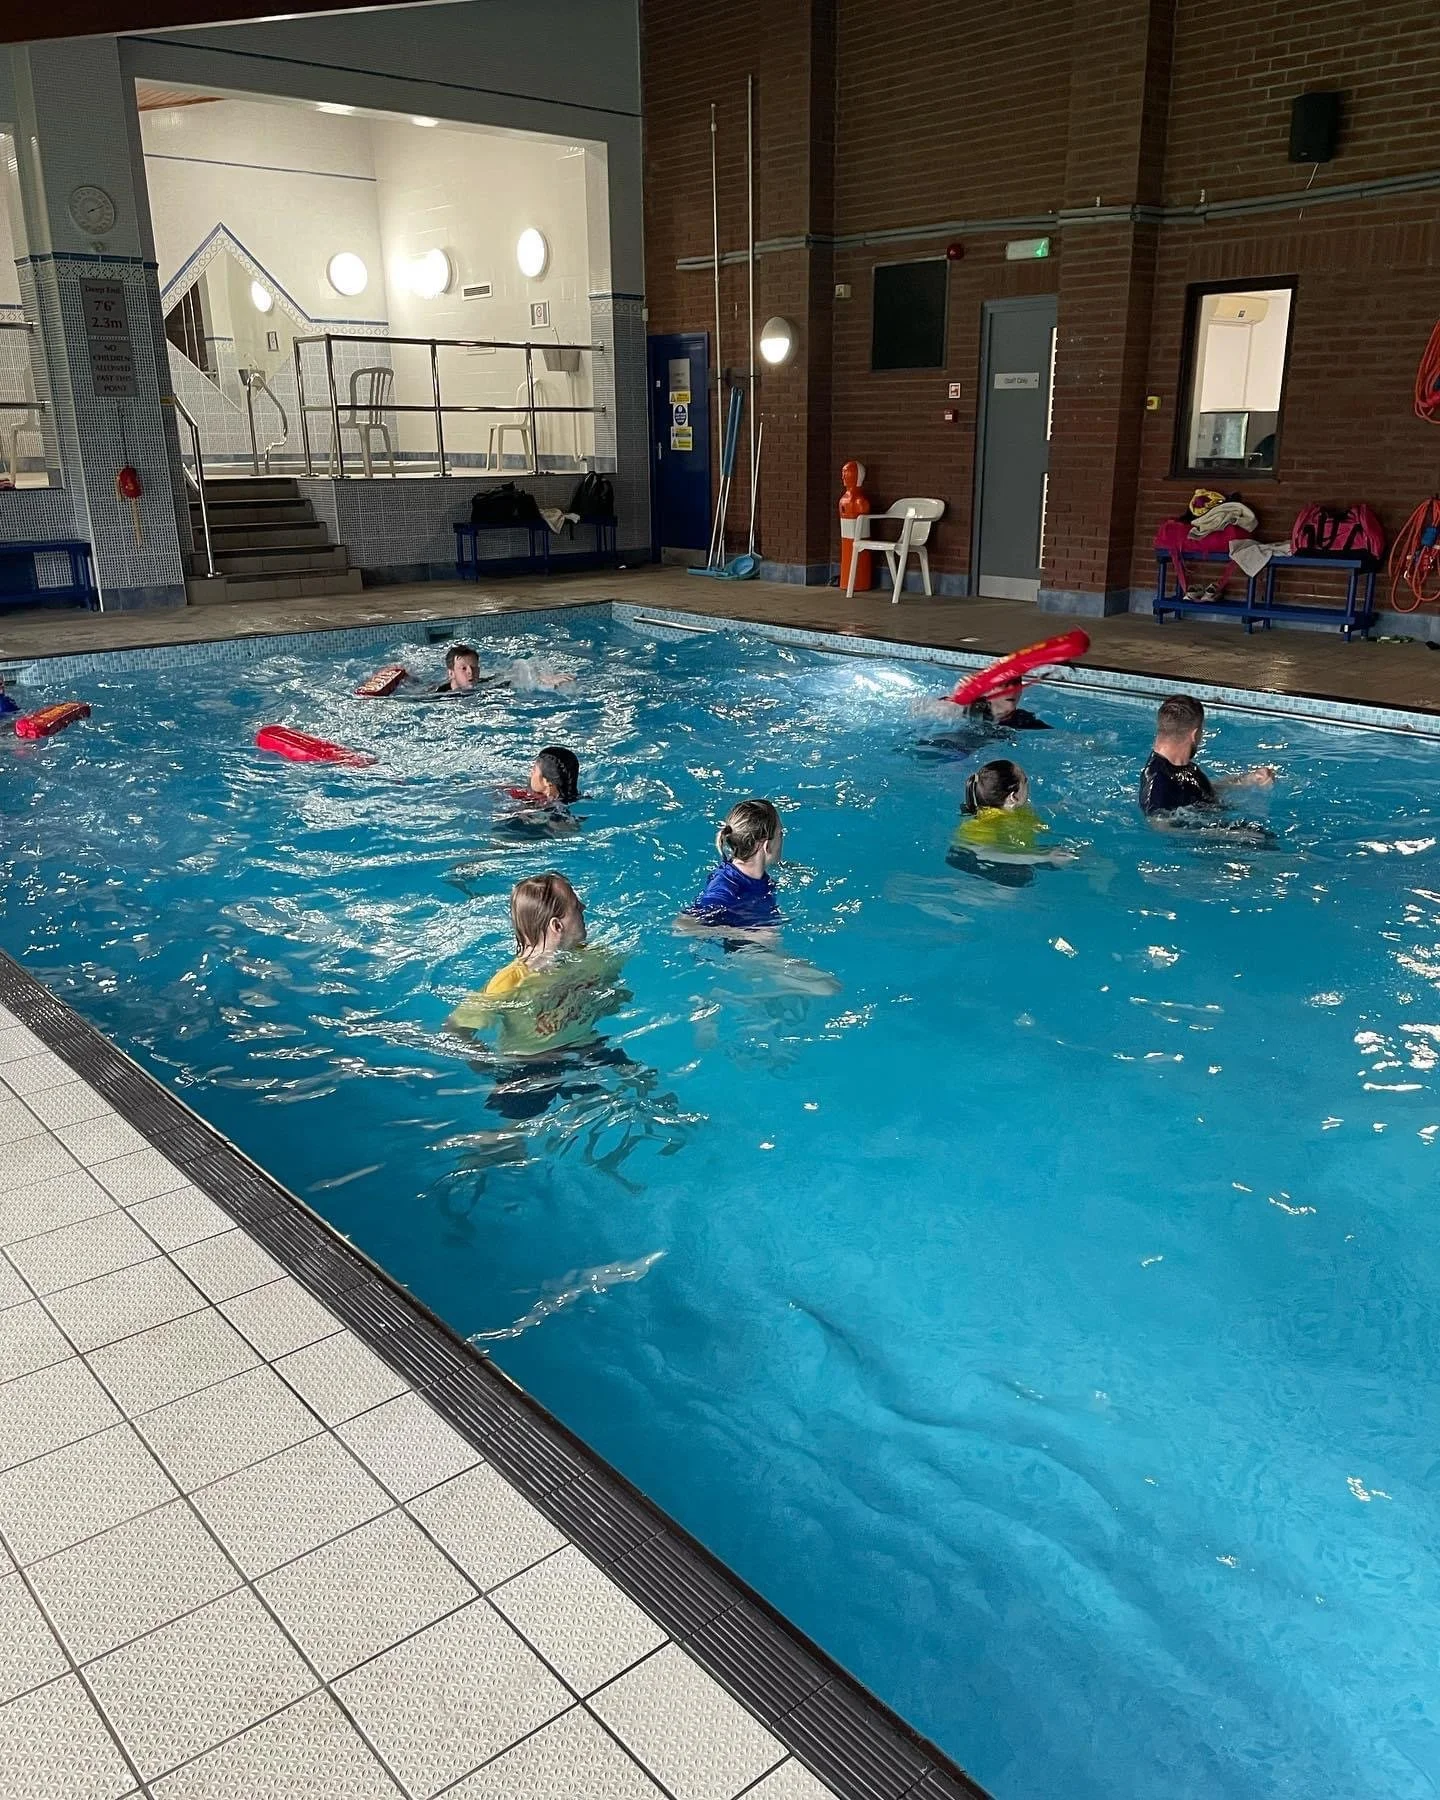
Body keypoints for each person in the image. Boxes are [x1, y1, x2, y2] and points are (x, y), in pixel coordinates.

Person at [447, 873, 627, 1060]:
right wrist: (488, 1065)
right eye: (576, 906)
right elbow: (455, 1030)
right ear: (557, 926)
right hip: (530, 1065)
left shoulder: (595, 956)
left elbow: (613, 997)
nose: (584, 907)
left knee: (641, 1077)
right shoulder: (509, 984)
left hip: (586, 1046)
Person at [1139, 695, 1275, 823]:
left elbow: (1202, 791)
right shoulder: (1158, 781)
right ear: (1195, 734)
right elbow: (1159, 825)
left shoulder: (1184, 769)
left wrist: (1249, 779)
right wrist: (1229, 835)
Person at [947, 759, 1076, 885]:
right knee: (1019, 876)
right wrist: (1044, 856)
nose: (1028, 786)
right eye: (1025, 782)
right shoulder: (984, 823)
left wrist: (1059, 808)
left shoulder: (1014, 809)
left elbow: (1031, 815)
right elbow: (984, 853)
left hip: (1002, 854)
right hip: (972, 861)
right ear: (1013, 797)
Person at [678, 799, 783, 935]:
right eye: (780, 834)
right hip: (742, 951)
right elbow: (683, 925)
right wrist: (750, 934)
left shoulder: (756, 874)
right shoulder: (726, 886)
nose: (782, 839)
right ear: (766, 846)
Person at [495, 746, 583, 837]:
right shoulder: (573, 799)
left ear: (547, 782)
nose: (531, 774)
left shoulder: (547, 808)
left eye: (534, 771)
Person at [967, 683, 1050, 733]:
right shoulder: (970, 710)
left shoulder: (1025, 722)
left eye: (1016, 684)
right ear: (988, 690)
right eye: (1004, 684)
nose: (1012, 689)